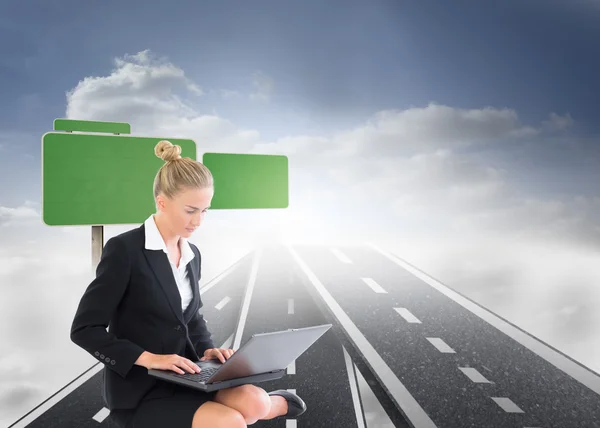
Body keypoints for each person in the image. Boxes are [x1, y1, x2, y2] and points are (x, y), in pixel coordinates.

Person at [70, 140, 306, 427]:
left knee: (254, 402)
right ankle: (271, 406)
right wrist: (149, 358)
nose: (198, 221)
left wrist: (208, 350)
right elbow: (84, 330)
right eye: (191, 210)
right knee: (231, 422)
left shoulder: (192, 254)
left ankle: (269, 404)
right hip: (142, 389)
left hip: (190, 377)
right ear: (162, 202)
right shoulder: (125, 250)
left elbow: (190, 317)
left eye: (205, 211)